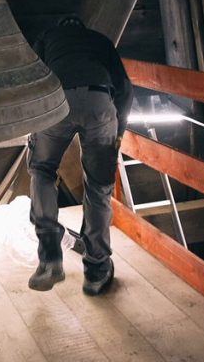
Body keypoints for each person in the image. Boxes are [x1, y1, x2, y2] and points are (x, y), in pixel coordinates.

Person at [27, 15, 133, 295]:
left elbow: (32, 75)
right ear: (82, 29)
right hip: (100, 100)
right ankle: (97, 270)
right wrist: (118, 132)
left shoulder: (48, 37)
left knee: (42, 170)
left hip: (56, 100)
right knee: (98, 188)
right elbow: (125, 89)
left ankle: (50, 256)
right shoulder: (100, 41)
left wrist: (34, 125)